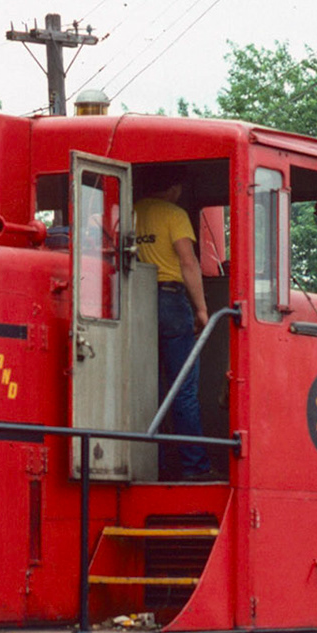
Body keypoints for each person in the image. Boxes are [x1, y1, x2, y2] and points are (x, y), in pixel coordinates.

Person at [133, 174, 217, 481]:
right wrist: (202, 309)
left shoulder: (132, 211)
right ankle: (194, 465)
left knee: (147, 388)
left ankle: (151, 465)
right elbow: (188, 261)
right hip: (170, 299)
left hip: (135, 304)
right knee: (183, 388)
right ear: (175, 187)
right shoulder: (174, 214)